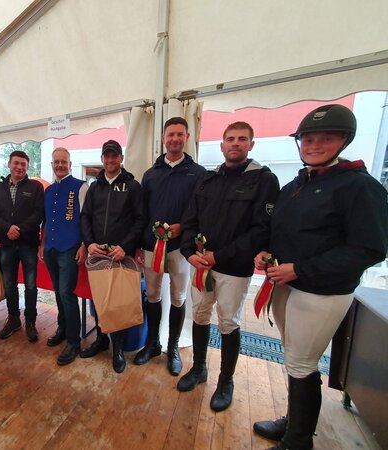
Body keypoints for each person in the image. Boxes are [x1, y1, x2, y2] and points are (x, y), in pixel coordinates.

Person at [251, 104, 388, 450]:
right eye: (309, 139)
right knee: (294, 357)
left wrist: (300, 268)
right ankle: (295, 422)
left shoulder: (360, 187)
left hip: (321, 291)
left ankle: (298, 441)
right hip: (285, 285)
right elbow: (281, 231)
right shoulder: (295, 186)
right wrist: (267, 251)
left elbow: (369, 249)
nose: (315, 145)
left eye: (326, 139)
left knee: (302, 361)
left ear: (343, 141)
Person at [178, 122, 280, 412]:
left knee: (228, 322)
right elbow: (190, 220)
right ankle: (199, 368)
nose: (235, 143)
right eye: (230, 139)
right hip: (201, 265)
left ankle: (226, 381)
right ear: (222, 145)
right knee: (199, 314)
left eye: (242, 139)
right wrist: (189, 253)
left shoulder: (264, 180)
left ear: (251, 144)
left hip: (234, 268)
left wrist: (219, 256)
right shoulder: (208, 179)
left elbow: (260, 231)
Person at [135, 117, 206, 376]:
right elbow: (142, 212)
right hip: (152, 247)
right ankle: (152, 344)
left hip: (181, 248)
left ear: (187, 137)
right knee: (153, 295)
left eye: (179, 134)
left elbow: (200, 210)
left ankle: (172, 347)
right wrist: (140, 244)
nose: (174, 139)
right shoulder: (150, 174)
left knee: (178, 297)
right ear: (163, 138)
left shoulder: (198, 173)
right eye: (170, 134)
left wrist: (182, 227)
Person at [80, 139, 145, 373]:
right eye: (106, 156)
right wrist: (89, 243)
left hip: (120, 256)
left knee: (118, 302)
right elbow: (85, 217)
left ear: (121, 158)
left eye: (114, 156)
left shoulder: (132, 186)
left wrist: (126, 247)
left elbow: (140, 220)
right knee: (99, 299)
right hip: (98, 255)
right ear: (102, 159)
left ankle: (117, 348)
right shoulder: (94, 187)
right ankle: (101, 340)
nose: (110, 160)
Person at [0, 150, 44, 342]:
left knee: (30, 285)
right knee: (9, 284)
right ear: (9, 164)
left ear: (27, 167)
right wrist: (6, 228)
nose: (19, 167)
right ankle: (13, 319)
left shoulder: (35, 187)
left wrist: (19, 229)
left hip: (28, 244)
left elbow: (39, 213)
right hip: (7, 245)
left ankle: (31, 321)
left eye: (23, 164)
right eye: (16, 163)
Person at [39, 147, 88, 365]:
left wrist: (84, 244)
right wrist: (42, 244)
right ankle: (62, 327)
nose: (60, 165)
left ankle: (73, 342)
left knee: (67, 294)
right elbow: (46, 220)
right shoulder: (48, 191)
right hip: (50, 249)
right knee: (58, 292)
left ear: (70, 164)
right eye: (56, 162)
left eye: (63, 162)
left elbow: (86, 218)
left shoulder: (80, 186)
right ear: (52, 165)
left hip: (69, 249)